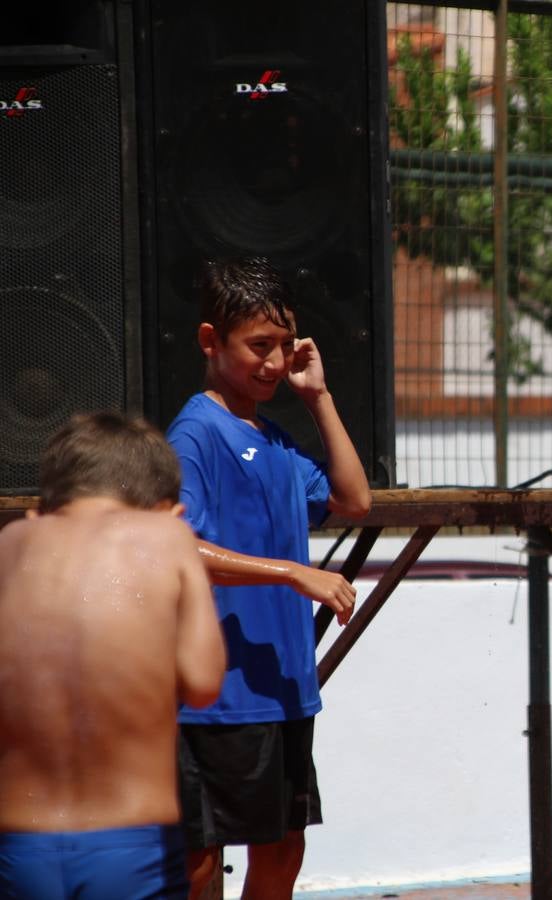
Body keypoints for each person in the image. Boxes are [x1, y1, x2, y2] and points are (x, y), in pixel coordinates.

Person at [167, 258, 372, 899]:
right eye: (260, 346)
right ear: (211, 342)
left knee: (283, 847)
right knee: (202, 860)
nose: (276, 363)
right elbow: (179, 544)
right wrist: (291, 573)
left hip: (284, 686)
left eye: (285, 346)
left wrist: (320, 397)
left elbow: (355, 499)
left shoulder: (276, 438)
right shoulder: (196, 432)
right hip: (218, 691)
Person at [0, 412, 225, 898]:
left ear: (42, 507)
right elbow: (205, 681)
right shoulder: (168, 537)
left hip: (19, 841)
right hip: (131, 840)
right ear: (169, 508)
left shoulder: (11, 543)